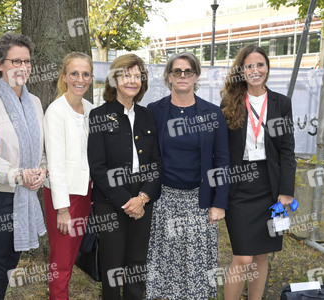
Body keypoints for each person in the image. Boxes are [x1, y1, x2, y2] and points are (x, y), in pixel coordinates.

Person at [145, 52, 229, 299]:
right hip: (163, 201)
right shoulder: (154, 111)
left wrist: (219, 203)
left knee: (196, 267)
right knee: (163, 264)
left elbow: (222, 162)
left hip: (199, 201)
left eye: (188, 71)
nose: (182, 76)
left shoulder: (212, 114)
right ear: (169, 76)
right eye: (177, 71)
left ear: (196, 76)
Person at [220, 44, 295, 300]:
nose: (255, 70)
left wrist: (286, 191)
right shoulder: (229, 102)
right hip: (239, 185)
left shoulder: (281, 103)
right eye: (249, 66)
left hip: (270, 186)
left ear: (267, 68)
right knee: (242, 256)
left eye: (259, 65)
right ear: (241, 71)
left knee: (261, 254)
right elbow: (221, 150)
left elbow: (287, 150)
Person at [87, 53, 162, 300]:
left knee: (137, 262)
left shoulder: (148, 115)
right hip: (110, 200)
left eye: (137, 76)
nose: (132, 80)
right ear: (114, 79)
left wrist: (143, 197)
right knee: (113, 265)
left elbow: (156, 163)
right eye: (126, 75)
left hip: (142, 197)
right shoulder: (99, 115)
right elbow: (97, 167)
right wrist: (125, 201)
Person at [0, 33, 47, 300]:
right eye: (15, 61)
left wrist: (42, 170)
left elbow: (39, 148)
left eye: (27, 62)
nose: (23, 67)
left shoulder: (34, 102)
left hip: (27, 196)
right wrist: (16, 175)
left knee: (10, 263)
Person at [43, 52, 94, 300]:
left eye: (85, 74)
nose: (80, 79)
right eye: (74, 73)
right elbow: (55, 164)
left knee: (71, 259)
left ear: (91, 78)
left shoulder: (92, 110)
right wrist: (62, 209)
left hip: (85, 195)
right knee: (60, 265)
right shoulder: (56, 111)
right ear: (64, 76)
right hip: (63, 199)